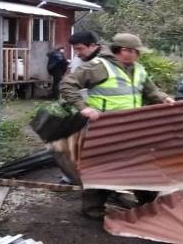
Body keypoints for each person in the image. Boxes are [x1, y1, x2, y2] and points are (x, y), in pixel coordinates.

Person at [61, 32, 176, 218]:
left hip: (132, 127)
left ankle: (149, 204)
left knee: (140, 165)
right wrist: (83, 107)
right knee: (103, 167)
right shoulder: (98, 66)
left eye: (138, 52)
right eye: (134, 51)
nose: (137, 55)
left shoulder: (138, 69)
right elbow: (67, 85)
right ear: (123, 51)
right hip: (105, 128)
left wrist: (164, 98)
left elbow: (151, 90)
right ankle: (93, 209)